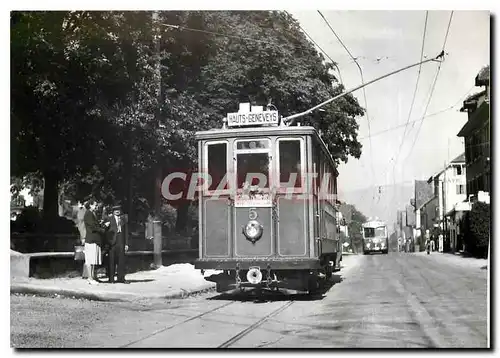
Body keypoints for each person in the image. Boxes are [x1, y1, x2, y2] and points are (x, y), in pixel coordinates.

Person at [83, 199, 108, 284]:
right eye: (95, 205)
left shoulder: (93, 214)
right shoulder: (88, 213)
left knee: (94, 259)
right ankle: (90, 278)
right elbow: (93, 227)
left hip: (95, 239)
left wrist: (102, 224)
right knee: (90, 260)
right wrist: (102, 229)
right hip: (91, 239)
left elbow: (95, 225)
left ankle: (93, 277)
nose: (96, 207)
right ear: (90, 205)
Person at [106, 204, 129, 283]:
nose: (117, 211)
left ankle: (121, 278)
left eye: (118, 209)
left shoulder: (123, 219)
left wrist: (126, 244)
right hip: (112, 242)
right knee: (111, 261)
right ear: (113, 211)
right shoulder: (109, 218)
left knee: (121, 260)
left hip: (121, 241)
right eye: (115, 210)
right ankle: (111, 279)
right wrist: (108, 242)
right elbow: (106, 230)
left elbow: (126, 232)